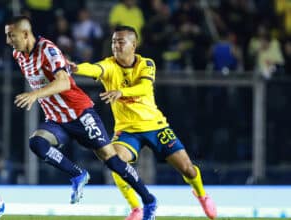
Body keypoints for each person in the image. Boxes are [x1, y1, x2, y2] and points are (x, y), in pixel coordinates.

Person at [5, 16, 158, 220]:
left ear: (25, 34)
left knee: (112, 161)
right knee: (37, 143)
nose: (8, 41)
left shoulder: (48, 51)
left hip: (79, 113)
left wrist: (34, 94)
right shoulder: (18, 54)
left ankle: (149, 200)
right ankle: (77, 174)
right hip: (57, 119)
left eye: (11, 36)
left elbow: (64, 83)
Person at [70, 25, 217, 220]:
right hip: (127, 131)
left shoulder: (147, 64)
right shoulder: (109, 65)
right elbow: (94, 68)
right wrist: (77, 68)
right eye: (113, 42)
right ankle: (136, 209)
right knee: (115, 162)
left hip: (155, 127)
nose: (116, 46)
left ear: (134, 45)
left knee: (187, 169)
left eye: (121, 42)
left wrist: (122, 92)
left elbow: (144, 87)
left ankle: (201, 194)